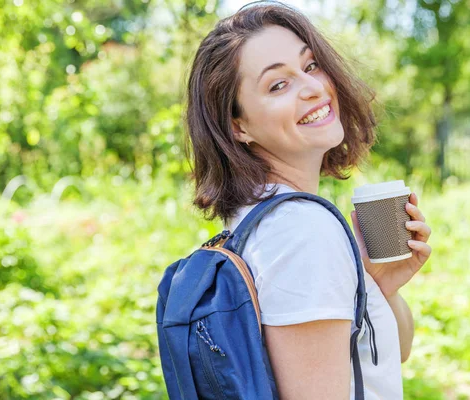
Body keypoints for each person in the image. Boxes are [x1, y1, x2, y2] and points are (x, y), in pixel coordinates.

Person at [183, 1, 432, 398]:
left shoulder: (258, 219)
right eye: (278, 85)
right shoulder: (303, 231)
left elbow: (388, 357)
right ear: (239, 125)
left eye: (311, 65)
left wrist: (379, 287)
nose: (314, 87)